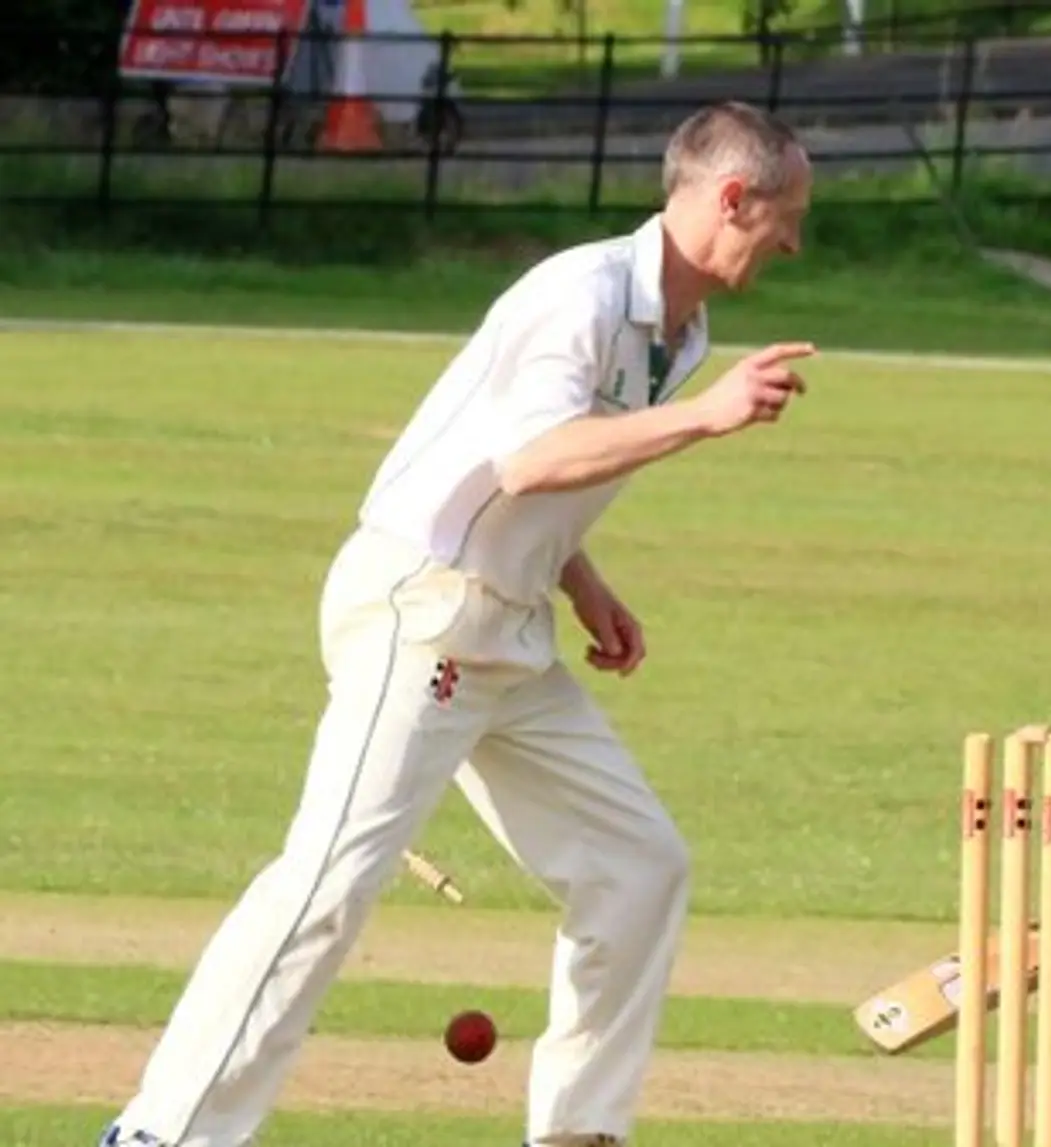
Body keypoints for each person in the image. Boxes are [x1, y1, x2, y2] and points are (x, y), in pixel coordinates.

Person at [101, 100, 816, 1147]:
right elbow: (526, 457)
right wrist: (706, 418)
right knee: (327, 884)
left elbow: (530, 478)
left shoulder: (684, 329)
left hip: (511, 631)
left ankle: (579, 1132)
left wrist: (582, 582)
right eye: (786, 216)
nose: (793, 241)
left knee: (639, 867)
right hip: (423, 607)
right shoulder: (577, 295)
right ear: (731, 197)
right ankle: (163, 1135)